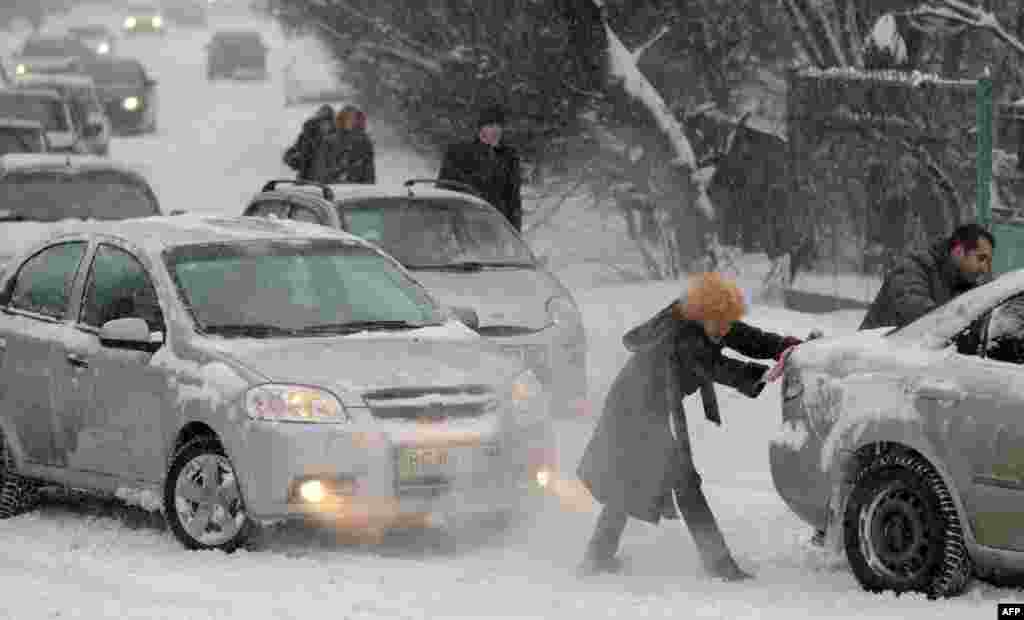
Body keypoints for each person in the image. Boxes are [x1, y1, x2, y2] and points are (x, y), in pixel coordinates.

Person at [576, 272, 809, 581]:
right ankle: (719, 564)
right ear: (702, 314)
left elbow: (747, 337)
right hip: (634, 410)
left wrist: (783, 346)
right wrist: (762, 375)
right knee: (684, 481)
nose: (725, 329)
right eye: (721, 323)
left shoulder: (712, 321)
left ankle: (596, 557)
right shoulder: (685, 336)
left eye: (729, 321)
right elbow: (716, 367)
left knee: (627, 482)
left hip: (650, 410)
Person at [859, 223, 995, 331]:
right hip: (874, 359)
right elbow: (919, 314)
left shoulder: (966, 283)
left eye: (988, 262)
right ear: (959, 251)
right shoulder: (913, 268)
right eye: (981, 258)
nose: (985, 268)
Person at [438, 103, 523, 232]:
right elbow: (444, 191)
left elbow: (513, 201)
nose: (496, 130)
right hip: (465, 227)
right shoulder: (459, 153)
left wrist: (515, 235)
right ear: (481, 128)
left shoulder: (509, 157)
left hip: (497, 229)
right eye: (490, 125)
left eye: (499, 126)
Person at [307, 105, 376, 184]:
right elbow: (321, 170)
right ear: (342, 120)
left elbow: (369, 171)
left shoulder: (365, 142)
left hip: (358, 189)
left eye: (354, 119)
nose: (351, 122)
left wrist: (368, 186)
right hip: (334, 188)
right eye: (348, 119)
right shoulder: (329, 141)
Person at [283, 104, 335, 181]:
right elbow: (290, 155)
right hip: (307, 182)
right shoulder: (307, 137)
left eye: (328, 121)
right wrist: (295, 159)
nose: (325, 125)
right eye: (321, 121)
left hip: (331, 184)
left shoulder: (337, 139)